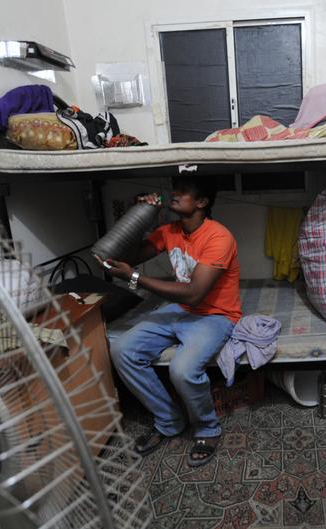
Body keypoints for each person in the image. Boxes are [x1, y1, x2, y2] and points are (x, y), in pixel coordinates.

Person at [99, 175, 240, 468]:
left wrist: (135, 279)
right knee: (122, 350)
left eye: (183, 191)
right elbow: (126, 256)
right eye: (174, 190)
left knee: (183, 369)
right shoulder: (168, 231)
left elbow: (194, 293)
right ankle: (169, 420)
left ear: (202, 202)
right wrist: (139, 216)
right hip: (179, 310)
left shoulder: (219, 237)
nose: (174, 194)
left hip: (215, 315)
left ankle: (207, 428)